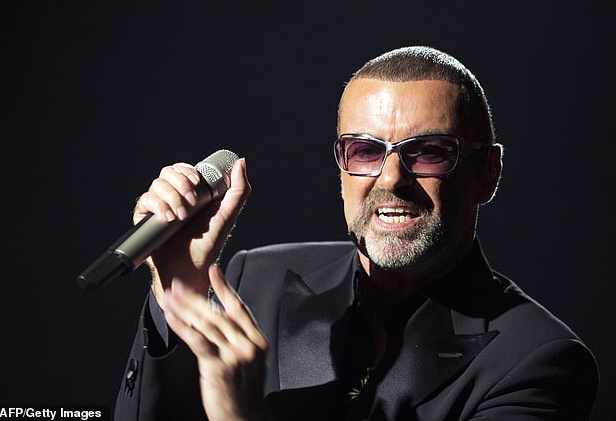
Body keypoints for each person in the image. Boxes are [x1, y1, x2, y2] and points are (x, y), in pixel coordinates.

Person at [113, 46, 599, 420]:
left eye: (428, 151)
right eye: (365, 151)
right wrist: (175, 290)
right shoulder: (253, 278)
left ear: (488, 173)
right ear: (341, 165)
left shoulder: (537, 361)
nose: (391, 179)